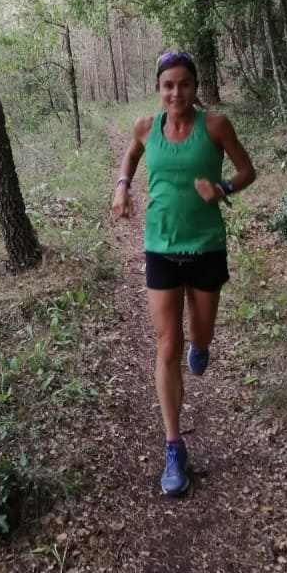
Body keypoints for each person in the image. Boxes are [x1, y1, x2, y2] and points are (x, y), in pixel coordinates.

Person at [111, 49, 256, 496]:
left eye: (184, 84)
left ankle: (202, 346)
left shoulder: (215, 126)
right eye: (168, 85)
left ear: (195, 87)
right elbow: (131, 157)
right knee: (166, 344)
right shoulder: (145, 127)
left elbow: (248, 169)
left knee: (200, 338)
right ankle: (174, 447)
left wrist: (223, 187)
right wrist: (122, 188)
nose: (176, 92)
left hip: (207, 246)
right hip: (160, 246)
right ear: (159, 89)